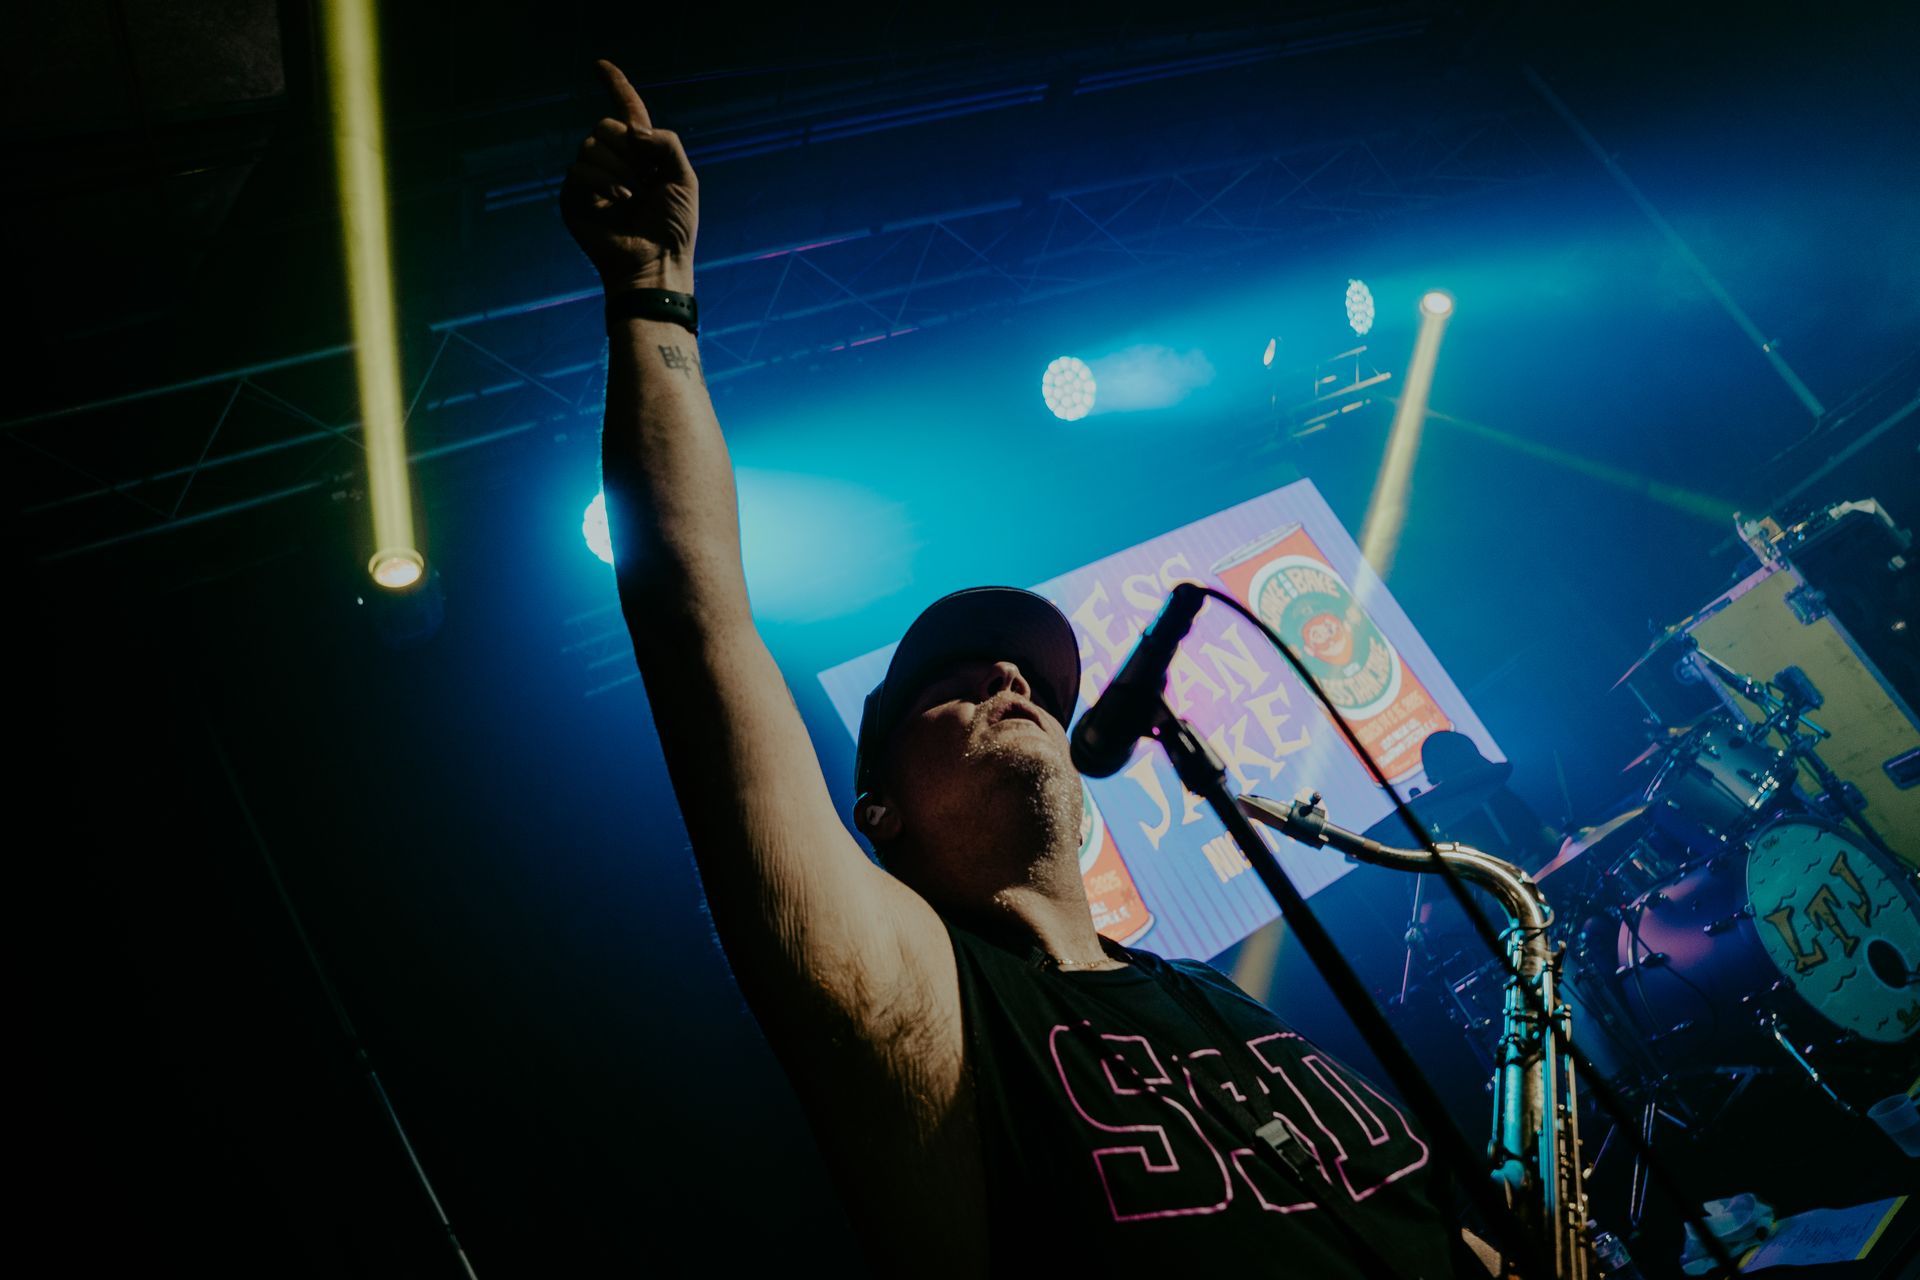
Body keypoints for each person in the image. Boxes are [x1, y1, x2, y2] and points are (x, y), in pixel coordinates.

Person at [562, 59, 1500, 1277]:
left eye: (1037, 682)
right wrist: (653, 298)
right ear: (877, 808)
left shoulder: (1218, 1003)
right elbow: (700, 623)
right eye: (956, 680)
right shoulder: (922, 998)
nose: (1013, 678)